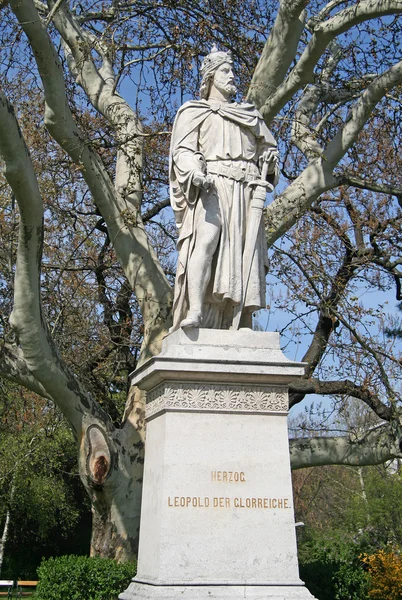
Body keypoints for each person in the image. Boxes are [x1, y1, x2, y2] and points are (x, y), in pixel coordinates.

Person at [169, 45, 279, 330]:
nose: (232, 76)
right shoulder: (193, 112)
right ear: (211, 76)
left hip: (246, 189)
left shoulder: (249, 115)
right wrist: (194, 172)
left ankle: (242, 317)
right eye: (226, 71)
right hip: (212, 185)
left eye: (232, 71)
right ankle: (194, 310)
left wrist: (269, 158)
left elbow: (269, 149)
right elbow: (183, 151)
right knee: (204, 242)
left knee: (246, 251)